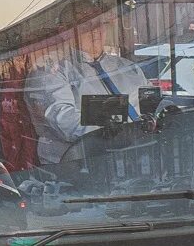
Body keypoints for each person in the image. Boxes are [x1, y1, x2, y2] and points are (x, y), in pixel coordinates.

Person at [23, 19, 149, 165]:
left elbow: (151, 102)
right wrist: (118, 132)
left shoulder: (128, 67)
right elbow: (64, 119)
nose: (95, 30)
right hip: (78, 166)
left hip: (138, 158)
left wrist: (169, 110)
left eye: (98, 23)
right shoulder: (51, 72)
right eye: (86, 24)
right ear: (65, 32)